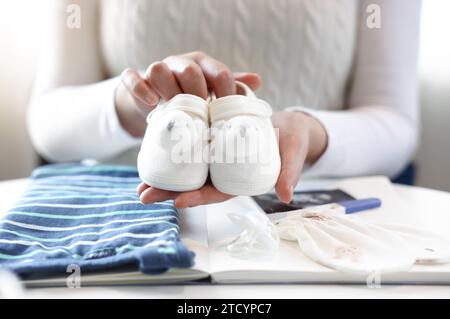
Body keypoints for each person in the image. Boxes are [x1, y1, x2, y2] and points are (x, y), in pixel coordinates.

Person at [28, 0, 421, 208]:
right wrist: (133, 106)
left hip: (309, 212)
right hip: (127, 209)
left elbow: (394, 119)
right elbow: (48, 121)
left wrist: (308, 131)